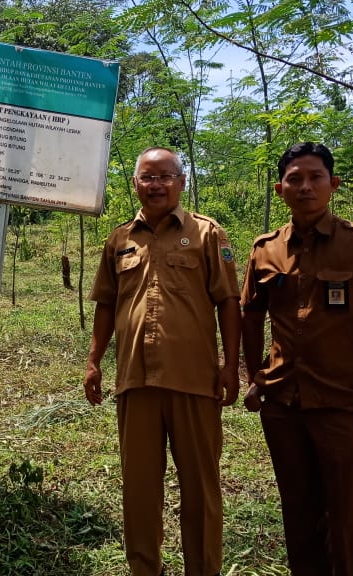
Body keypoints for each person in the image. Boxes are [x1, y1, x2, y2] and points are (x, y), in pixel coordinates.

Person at [240, 142, 353, 576]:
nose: (305, 187)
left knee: (349, 514)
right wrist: (255, 375)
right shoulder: (265, 249)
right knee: (298, 510)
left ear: (333, 184)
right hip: (283, 406)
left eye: (315, 177)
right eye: (294, 179)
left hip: (344, 406)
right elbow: (251, 315)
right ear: (280, 189)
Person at [84, 146, 242, 576]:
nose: (156, 185)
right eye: (147, 177)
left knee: (201, 489)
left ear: (181, 182)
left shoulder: (208, 234)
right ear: (135, 184)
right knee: (139, 490)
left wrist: (231, 365)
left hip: (193, 381)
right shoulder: (119, 239)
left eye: (165, 176)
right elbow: (105, 303)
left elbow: (229, 302)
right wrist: (94, 360)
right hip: (135, 381)